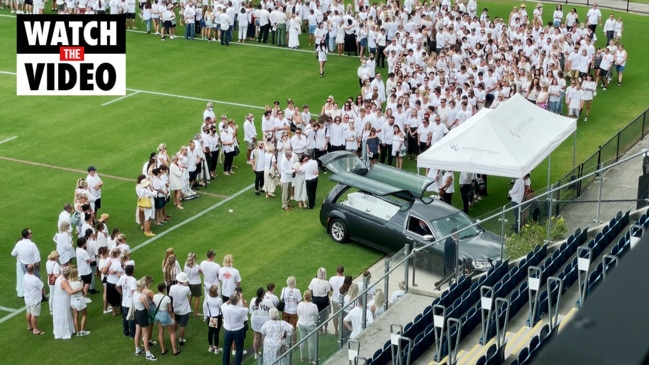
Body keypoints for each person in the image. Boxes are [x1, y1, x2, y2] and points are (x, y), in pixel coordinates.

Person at [53, 266, 82, 339]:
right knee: (65, 314)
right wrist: (80, 288)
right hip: (63, 301)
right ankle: (65, 332)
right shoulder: (64, 281)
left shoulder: (59, 278)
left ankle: (62, 331)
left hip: (58, 299)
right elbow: (70, 292)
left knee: (62, 315)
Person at [221, 291, 249, 365]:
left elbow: (225, 304)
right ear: (237, 301)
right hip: (238, 331)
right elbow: (246, 307)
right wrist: (242, 298)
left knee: (226, 349)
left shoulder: (224, 308)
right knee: (239, 348)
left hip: (228, 331)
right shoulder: (240, 310)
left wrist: (230, 299)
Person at [133, 278, 158, 361]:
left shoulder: (135, 293)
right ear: (142, 286)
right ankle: (148, 354)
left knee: (137, 333)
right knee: (146, 335)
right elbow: (147, 307)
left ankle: (137, 349)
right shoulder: (142, 297)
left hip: (136, 313)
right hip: (142, 314)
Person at [12, 228, 42, 294]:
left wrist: (20, 256)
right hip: (32, 265)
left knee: (27, 278)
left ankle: (29, 291)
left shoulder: (19, 243)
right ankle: (41, 295)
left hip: (23, 265)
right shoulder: (32, 245)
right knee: (37, 279)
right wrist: (39, 265)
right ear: (28, 235)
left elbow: (13, 253)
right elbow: (37, 257)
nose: (31, 234)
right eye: (31, 233)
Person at [153, 282, 179, 355]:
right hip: (165, 314)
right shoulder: (167, 298)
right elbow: (170, 310)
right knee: (172, 333)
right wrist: (172, 316)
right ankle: (175, 350)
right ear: (164, 289)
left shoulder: (154, 296)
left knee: (160, 332)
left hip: (158, 314)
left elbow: (155, 305)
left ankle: (163, 350)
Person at [250, 286, 274, 359]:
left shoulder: (253, 300)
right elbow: (273, 311)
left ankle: (256, 354)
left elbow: (250, 311)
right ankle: (266, 353)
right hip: (265, 321)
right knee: (264, 338)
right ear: (264, 294)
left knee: (256, 337)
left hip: (255, 320)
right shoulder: (268, 301)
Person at [169, 272, 192, 346]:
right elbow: (189, 296)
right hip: (184, 310)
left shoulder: (172, 287)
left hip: (176, 309)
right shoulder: (186, 288)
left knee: (176, 321)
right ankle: (181, 339)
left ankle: (174, 335)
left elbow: (171, 296)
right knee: (183, 325)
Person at [308, 267, 332, 333]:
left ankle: (320, 329)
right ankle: (325, 328)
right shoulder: (326, 282)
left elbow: (310, 289)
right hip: (323, 300)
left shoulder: (313, 280)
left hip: (315, 299)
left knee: (317, 314)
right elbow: (328, 292)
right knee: (325, 314)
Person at [296, 290, 318, 363]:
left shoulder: (300, 304)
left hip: (301, 324)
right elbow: (316, 315)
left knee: (302, 340)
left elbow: (298, 313)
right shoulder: (313, 306)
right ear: (310, 297)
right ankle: (311, 358)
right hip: (310, 325)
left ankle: (302, 357)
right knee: (310, 342)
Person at [68, 267, 90, 337]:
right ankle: (82, 331)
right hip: (79, 300)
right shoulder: (78, 283)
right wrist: (84, 288)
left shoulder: (69, 283)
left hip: (72, 300)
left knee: (75, 316)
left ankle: (77, 332)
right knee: (84, 315)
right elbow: (84, 293)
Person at [23, 264, 45, 335]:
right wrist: (43, 293)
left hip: (27, 297)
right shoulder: (35, 279)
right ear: (34, 269)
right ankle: (35, 329)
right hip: (34, 299)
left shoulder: (25, 276)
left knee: (28, 312)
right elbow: (41, 287)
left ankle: (29, 326)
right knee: (34, 314)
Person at [116, 264, 137, 339]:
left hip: (124, 300)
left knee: (125, 317)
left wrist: (122, 293)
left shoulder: (123, 277)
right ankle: (132, 334)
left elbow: (117, 286)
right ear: (132, 271)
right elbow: (133, 291)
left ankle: (125, 332)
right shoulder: (133, 280)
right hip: (130, 301)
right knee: (131, 317)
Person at [204, 284, 223, 354]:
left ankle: (210, 347)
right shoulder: (218, 300)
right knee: (216, 333)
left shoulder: (207, 297)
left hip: (210, 316)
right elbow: (221, 308)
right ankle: (216, 349)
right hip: (216, 317)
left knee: (210, 332)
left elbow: (206, 306)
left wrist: (206, 316)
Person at [184, 252, 203, 317]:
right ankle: (196, 313)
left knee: (190, 296)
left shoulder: (185, 265)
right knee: (197, 298)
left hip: (189, 283)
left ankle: (188, 311)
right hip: (196, 283)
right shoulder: (197, 266)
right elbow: (202, 272)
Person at [328, 265, 345, 336]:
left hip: (335, 300)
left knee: (335, 316)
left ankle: (336, 330)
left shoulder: (332, 279)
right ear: (343, 271)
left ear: (336, 271)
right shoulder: (345, 279)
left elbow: (330, 289)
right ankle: (342, 331)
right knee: (343, 316)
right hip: (343, 300)